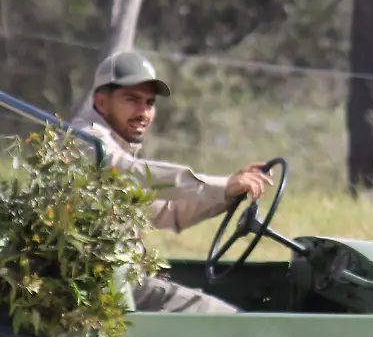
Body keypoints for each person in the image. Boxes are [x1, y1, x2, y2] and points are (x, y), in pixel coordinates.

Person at [73, 51, 272, 314]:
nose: (144, 112)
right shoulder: (87, 142)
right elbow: (129, 171)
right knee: (229, 321)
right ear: (101, 102)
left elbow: (168, 212)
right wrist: (221, 184)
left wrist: (229, 195)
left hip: (122, 279)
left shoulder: (113, 144)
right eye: (131, 100)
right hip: (99, 285)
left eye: (149, 102)